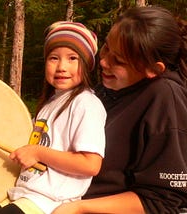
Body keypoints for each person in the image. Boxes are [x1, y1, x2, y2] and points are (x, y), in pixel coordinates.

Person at [52, 6, 187, 214]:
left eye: (119, 61)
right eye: (106, 48)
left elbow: (162, 202)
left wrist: (79, 208)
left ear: (153, 69)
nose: (104, 62)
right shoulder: (106, 90)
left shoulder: (164, 99)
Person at [0, 21, 107, 214]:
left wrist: (39, 153)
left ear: (87, 65)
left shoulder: (86, 104)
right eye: (53, 58)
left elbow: (91, 164)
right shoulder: (50, 103)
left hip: (49, 203)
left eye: (72, 58)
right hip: (22, 195)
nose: (61, 67)